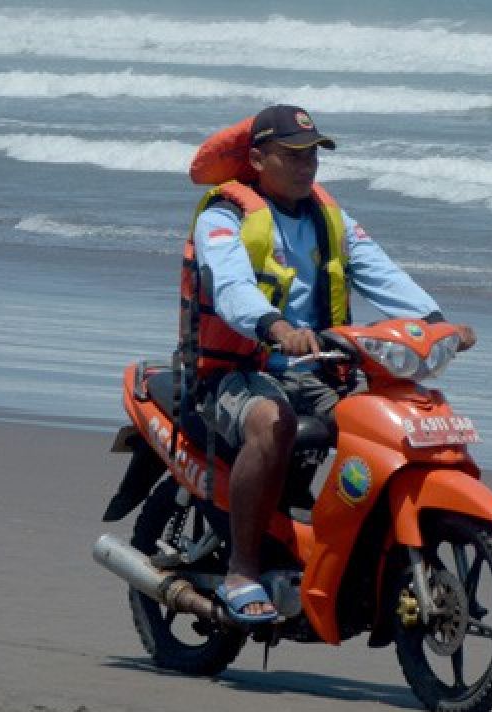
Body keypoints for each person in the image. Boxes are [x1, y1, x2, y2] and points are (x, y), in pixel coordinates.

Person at [182, 105, 475, 625]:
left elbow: (382, 272)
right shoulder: (223, 217)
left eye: (313, 153)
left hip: (318, 369)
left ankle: (350, 550)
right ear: (258, 157)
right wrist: (275, 328)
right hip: (237, 371)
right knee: (272, 425)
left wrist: (436, 322)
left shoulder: (328, 218)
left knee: (392, 421)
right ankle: (242, 571)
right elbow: (231, 289)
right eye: (293, 154)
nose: (307, 165)